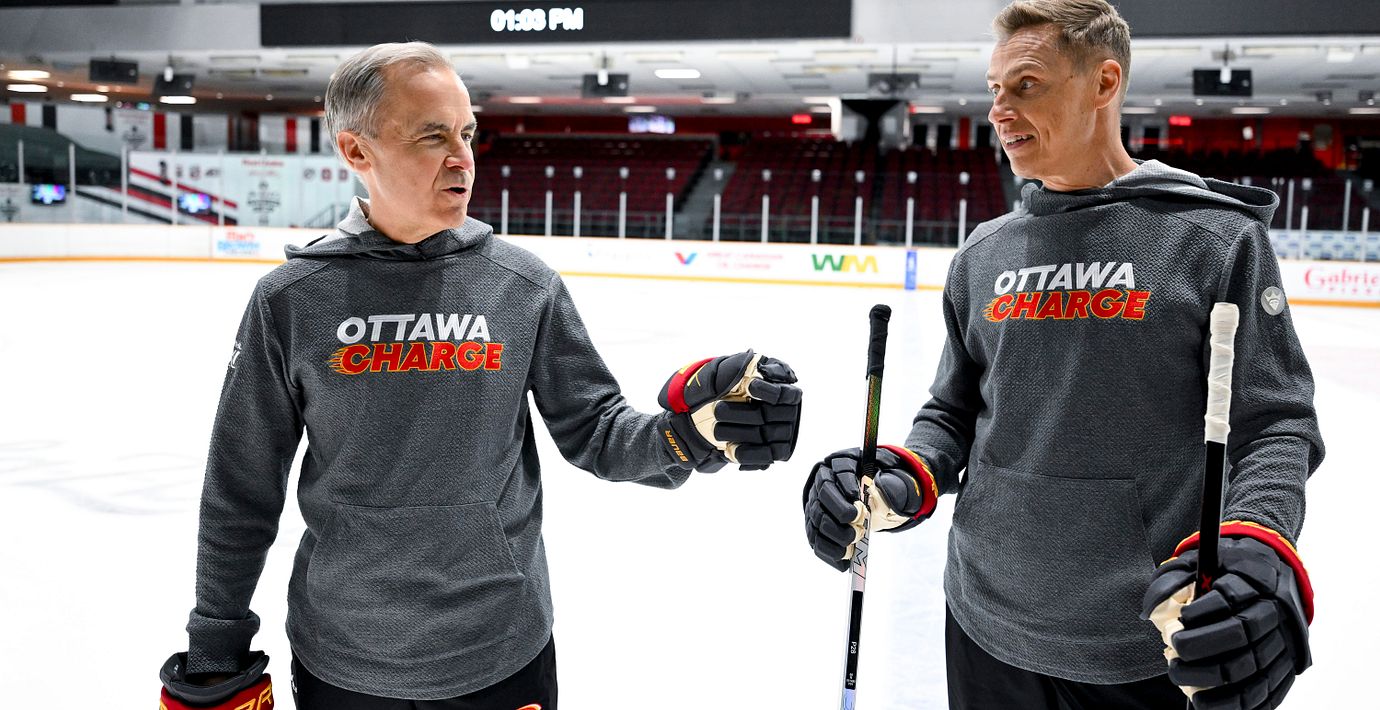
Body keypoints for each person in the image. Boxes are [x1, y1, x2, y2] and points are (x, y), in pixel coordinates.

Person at [157, 42, 803, 710]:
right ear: (357, 152)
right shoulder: (292, 301)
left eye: (466, 132)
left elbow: (598, 430)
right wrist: (215, 644)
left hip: (500, 653)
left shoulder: (521, 287)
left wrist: (685, 437)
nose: (462, 157)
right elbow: (242, 483)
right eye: (432, 134)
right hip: (343, 661)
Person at [802, 2, 1322, 709]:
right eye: (994, 90)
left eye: (1026, 86)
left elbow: (1276, 423)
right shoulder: (984, 254)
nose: (998, 110)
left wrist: (1257, 543)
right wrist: (900, 476)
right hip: (983, 625)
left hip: (1147, 642)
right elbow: (952, 412)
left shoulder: (1213, 240)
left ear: (1104, 83)